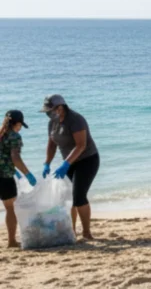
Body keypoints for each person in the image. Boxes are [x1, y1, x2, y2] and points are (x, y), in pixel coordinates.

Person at [41, 95, 100, 240]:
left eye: (50, 110)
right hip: (68, 162)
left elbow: (81, 145)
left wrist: (65, 164)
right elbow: (52, 144)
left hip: (87, 160)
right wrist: (47, 163)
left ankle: (86, 233)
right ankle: (71, 231)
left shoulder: (75, 120)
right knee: (67, 198)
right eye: (47, 111)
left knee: (79, 196)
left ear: (60, 107)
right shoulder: (52, 122)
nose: (48, 113)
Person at [2, 111, 37, 248]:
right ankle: (11, 241)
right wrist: (28, 174)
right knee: (10, 208)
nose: (20, 127)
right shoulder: (15, 136)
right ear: (17, 123)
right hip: (5, 177)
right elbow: (15, 158)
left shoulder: (1, 134)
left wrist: (13, 169)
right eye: (20, 125)